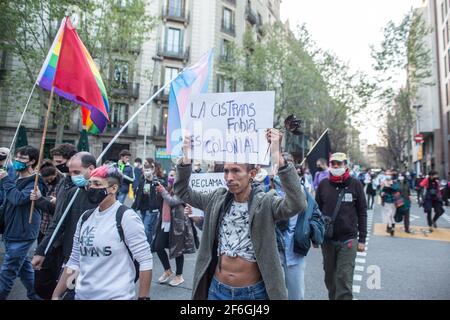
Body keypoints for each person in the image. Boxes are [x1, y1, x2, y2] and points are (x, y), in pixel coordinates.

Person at [174, 129, 307, 300]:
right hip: (217, 290)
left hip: (253, 294)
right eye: (226, 171)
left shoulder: (266, 203)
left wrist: (277, 155)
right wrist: (186, 158)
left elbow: (297, 203)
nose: (229, 177)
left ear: (252, 174)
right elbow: (182, 192)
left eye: (236, 171)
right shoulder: (217, 199)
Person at [51, 166, 153, 300]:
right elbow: (74, 261)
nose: (92, 188)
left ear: (113, 188)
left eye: (97, 184)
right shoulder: (85, 218)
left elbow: (145, 260)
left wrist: (143, 297)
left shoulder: (126, 217)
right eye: (90, 184)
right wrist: (56, 294)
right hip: (82, 296)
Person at [31, 152, 98, 300]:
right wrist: (42, 251)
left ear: (91, 169)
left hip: (93, 261)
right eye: (70, 173)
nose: (73, 176)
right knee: (50, 288)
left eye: (76, 172)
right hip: (71, 259)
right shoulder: (72, 193)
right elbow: (57, 223)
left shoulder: (104, 196)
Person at [315, 152, 367, 300]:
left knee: (344, 281)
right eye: (333, 164)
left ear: (346, 165)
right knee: (330, 280)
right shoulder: (323, 184)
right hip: (327, 240)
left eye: (339, 163)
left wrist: (362, 239)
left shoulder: (355, 184)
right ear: (330, 165)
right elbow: (316, 212)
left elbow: (362, 212)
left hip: (348, 240)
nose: (336, 166)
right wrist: (314, 236)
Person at [273, 153, 323, 300]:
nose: (284, 168)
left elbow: (315, 215)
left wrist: (310, 231)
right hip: (273, 254)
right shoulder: (266, 191)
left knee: (296, 296)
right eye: (280, 165)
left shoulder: (303, 192)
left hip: (295, 253)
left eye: (288, 165)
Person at [0, 146, 45, 300]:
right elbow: (8, 203)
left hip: (23, 233)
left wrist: (5, 180)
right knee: (24, 268)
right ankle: (37, 295)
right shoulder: (15, 178)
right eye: (17, 157)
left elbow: (18, 199)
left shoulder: (36, 181)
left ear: (32, 161)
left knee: (8, 271)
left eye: (23, 159)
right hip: (10, 231)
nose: (18, 161)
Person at [153, 170, 195, 287]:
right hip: (165, 223)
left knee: (178, 250)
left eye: (175, 175)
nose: (172, 177)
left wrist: (163, 192)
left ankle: (179, 275)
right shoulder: (167, 188)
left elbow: (173, 202)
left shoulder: (183, 189)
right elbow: (160, 203)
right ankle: (167, 270)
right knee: (158, 246)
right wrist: (159, 191)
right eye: (171, 175)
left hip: (178, 223)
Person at [132, 164, 165, 246]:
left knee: (146, 228)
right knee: (146, 228)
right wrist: (134, 207)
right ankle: (150, 243)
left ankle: (147, 245)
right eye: (145, 170)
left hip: (152, 209)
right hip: (143, 208)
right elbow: (139, 196)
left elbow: (162, 193)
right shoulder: (142, 182)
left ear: (152, 170)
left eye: (148, 170)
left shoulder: (156, 182)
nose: (146, 172)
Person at [33, 162, 63, 243]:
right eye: (46, 180)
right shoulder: (41, 182)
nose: (49, 181)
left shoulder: (60, 185)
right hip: (43, 224)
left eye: (51, 179)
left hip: (53, 225)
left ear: (56, 173)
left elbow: (54, 209)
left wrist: (41, 199)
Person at [380, 171, 399, 236]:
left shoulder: (384, 183)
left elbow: (381, 193)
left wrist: (383, 190)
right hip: (394, 201)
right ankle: (392, 227)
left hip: (388, 201)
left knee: (389, 214)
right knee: (392, 215)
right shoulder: (395, 183)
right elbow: (397, 190)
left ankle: (390, 226)